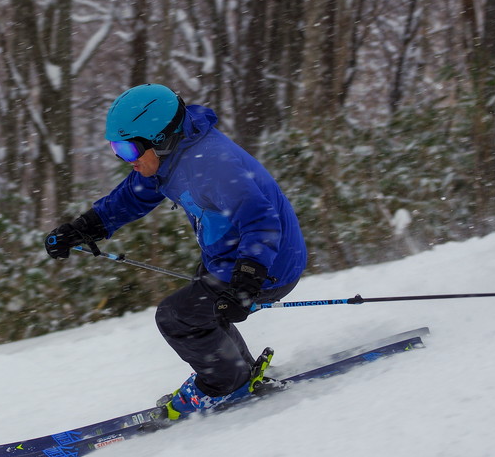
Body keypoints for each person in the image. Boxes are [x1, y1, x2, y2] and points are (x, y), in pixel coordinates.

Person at [45, 83, 307, 419]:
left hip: (267, 262)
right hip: (227, 254)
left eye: (128, 150)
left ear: (161, 139)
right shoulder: (172, 157)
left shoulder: (214, 166)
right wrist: (81, 229)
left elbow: (261, 222)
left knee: (177, 317)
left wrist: (247, 281)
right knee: (203, 311)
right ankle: (237, 374)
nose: (126, 160)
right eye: (116, 149)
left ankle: (225, 384)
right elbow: (132, 196)